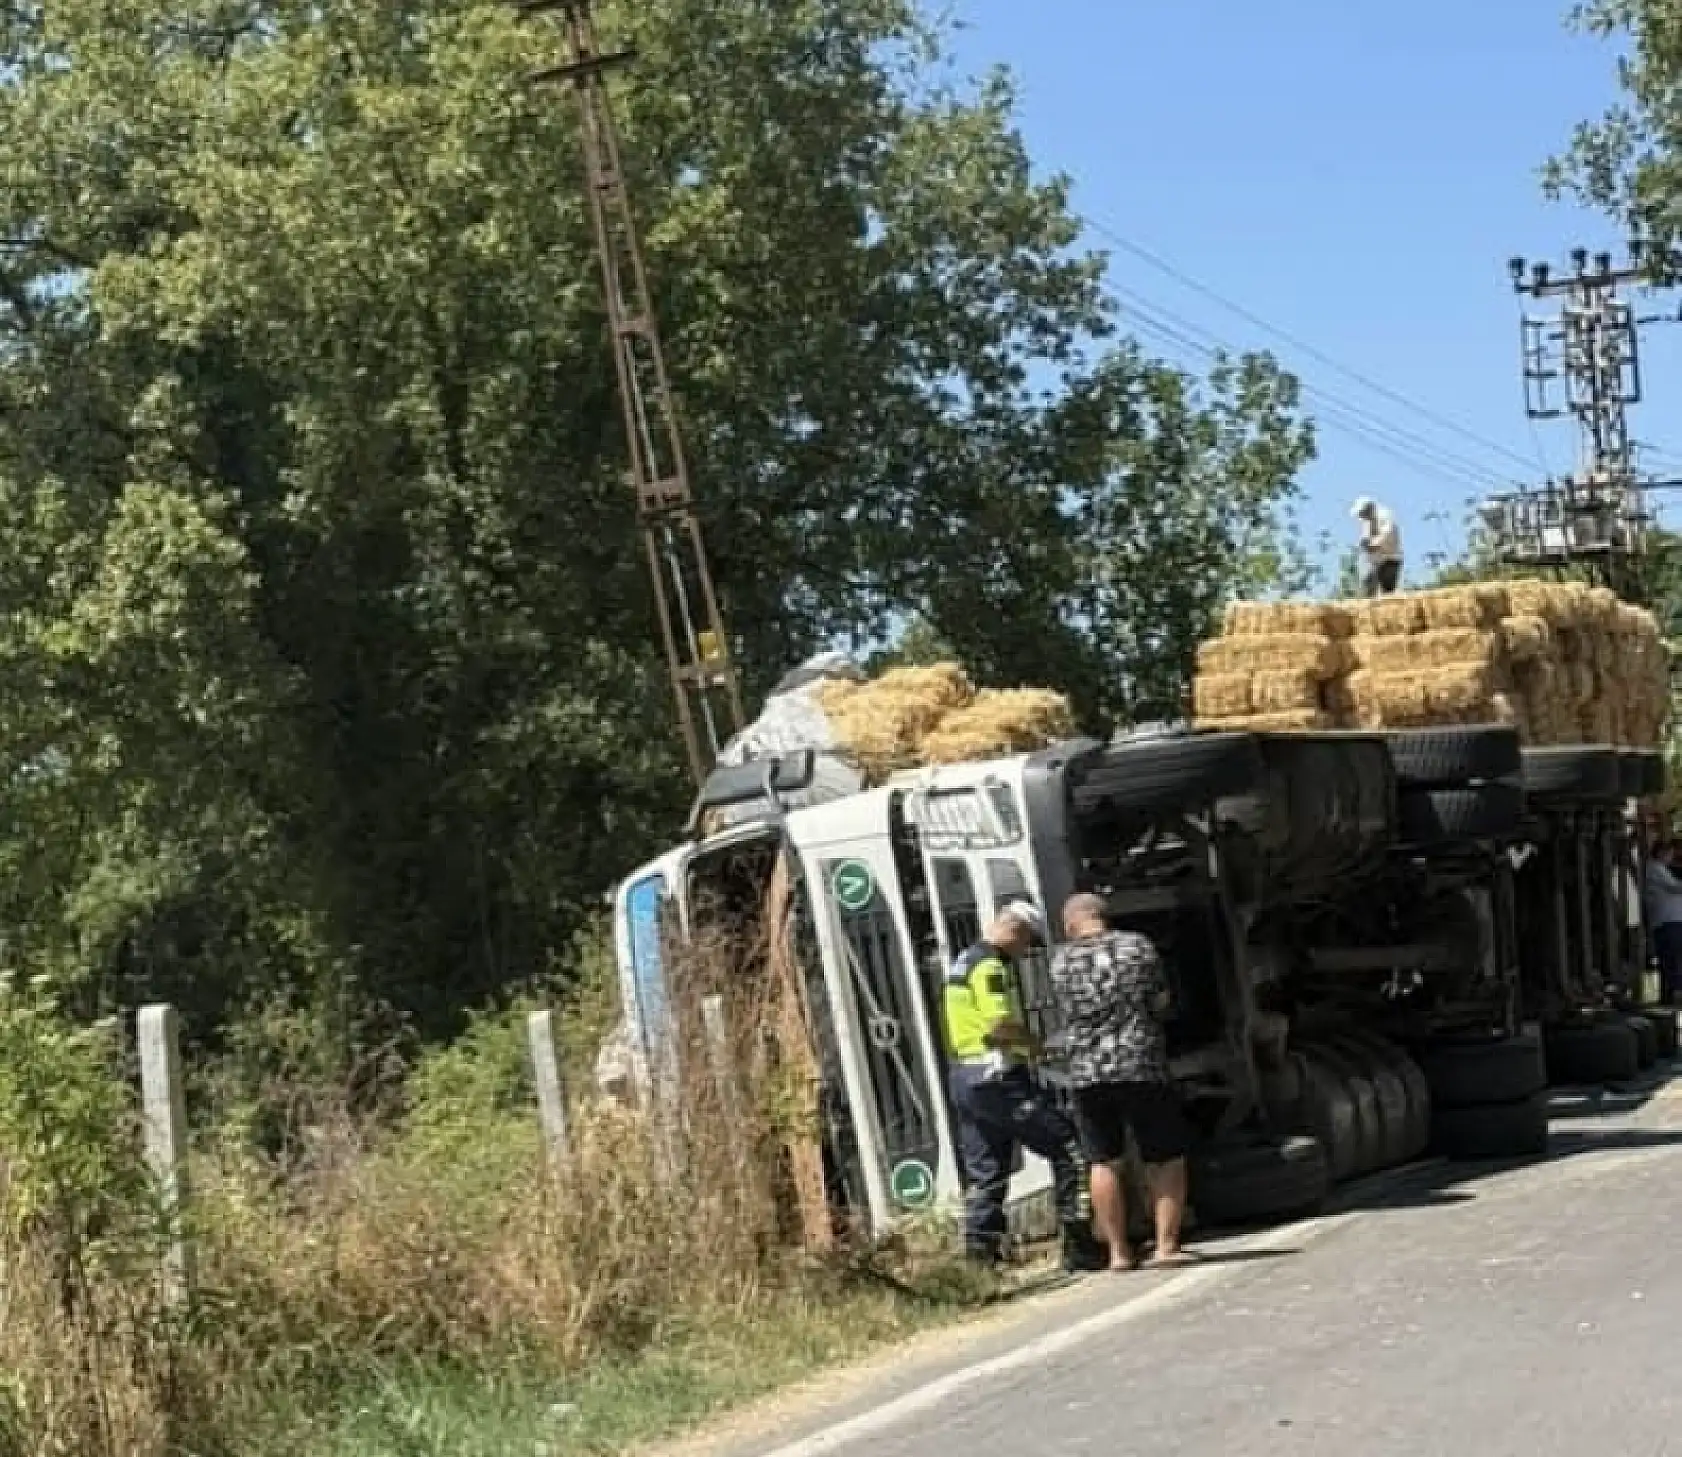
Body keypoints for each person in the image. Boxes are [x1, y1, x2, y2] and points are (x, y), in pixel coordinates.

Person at [1046, 892, 1193, 1271]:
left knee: (1103, 1160)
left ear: (1070, 923)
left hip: (1087, 1073)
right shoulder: (1138, 947)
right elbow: (1161, 1001)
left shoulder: (1059, 962)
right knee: (1165, 1157)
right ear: (1103, 916)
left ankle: (1118, 1253)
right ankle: (1165, 1246)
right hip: (1141, 1063)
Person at [942, 902, 1093, 1270]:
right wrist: (1034, 1046)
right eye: (1027, 943)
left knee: (986, 1174)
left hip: (966, 1077)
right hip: (997, 1079)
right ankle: (1080, 1246)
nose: (1025, 953)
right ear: (1015, 930)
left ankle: (979, 1262)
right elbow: (998, 1024)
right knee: (1069, 1148)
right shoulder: (990, 965)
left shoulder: (962, 960)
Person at [1645, 839, 1682, 1003]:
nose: (1671, 858)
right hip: (1667, 920)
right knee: (1671, 957)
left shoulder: (1661, 869)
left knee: (1672, 958)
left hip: (1671, 919)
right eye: (1669, 854)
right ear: (1661, 853)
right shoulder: (1655, 868)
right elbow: (1674, 887)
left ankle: (1670, 993)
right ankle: (1673, 992)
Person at [1351, 496, 1403, 596]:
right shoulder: (1367, 522)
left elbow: (1388, 533)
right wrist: (1364, 543)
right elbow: (1366, 537)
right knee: (1368, 584)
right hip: (1375, 560)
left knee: (1387, 590)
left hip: (1390, 558)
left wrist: (1373, 544)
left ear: (1368, 509)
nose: (1361, 517)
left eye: (1362, 513)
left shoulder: (1385, 515)